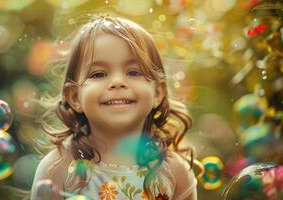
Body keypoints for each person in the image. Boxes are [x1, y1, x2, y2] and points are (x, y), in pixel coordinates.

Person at [31, 14, 198, 200]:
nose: (117, 82)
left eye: (134, 72)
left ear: (158, 93)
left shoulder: (174, 172)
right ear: (75, 96)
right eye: (98, 74)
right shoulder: (59, 167)